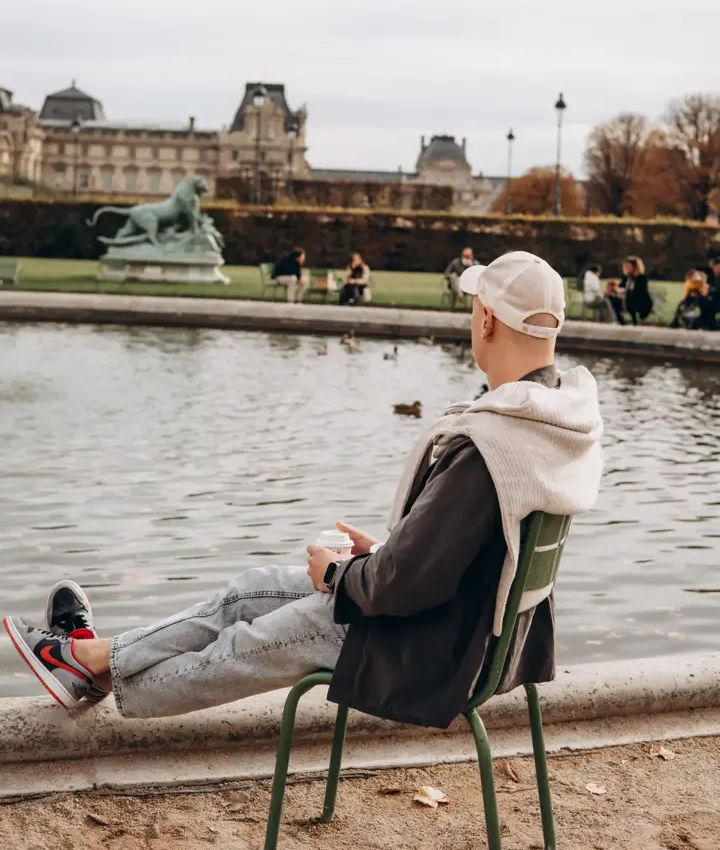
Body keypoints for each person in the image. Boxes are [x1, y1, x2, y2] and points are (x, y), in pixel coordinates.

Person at [3, 251, 603, 732]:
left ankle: (87, 667)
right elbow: (455, 558)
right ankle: (93, 659)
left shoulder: (491, 444)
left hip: (431, 651)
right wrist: (381, 558)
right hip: (475, 637)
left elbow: (405, 583)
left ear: (487, 321)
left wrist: (344, 577)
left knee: (246, 641)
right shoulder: (555, 422)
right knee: (246, 592)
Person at [612, 256, 653, 326]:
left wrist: (625, 291)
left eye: (629, 266)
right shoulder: (626, 277)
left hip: (641, 301)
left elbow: (640, 291)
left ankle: (635, 321)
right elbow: (620, 286)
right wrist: (618, 289)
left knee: (630, 297)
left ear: (635, 267)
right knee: (611, 299)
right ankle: (621, 321)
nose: (627, 268)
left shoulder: (642, 278)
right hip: (626, 299)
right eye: (626, 266)